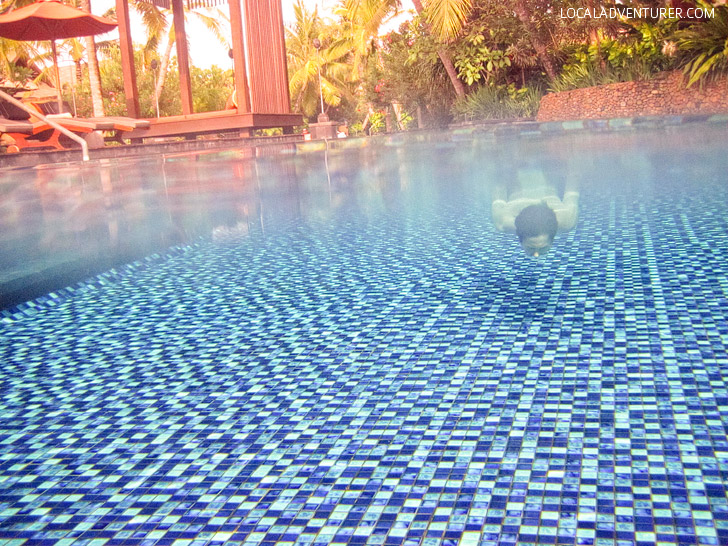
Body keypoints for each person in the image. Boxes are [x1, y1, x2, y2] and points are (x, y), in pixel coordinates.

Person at [492, 164, 579, 257]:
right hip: (547, 168)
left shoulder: (503, 222)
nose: (536, 255)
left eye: (543, 248)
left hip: (518, 169)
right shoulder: (567, 220)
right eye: (531, 248)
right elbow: (573, 180)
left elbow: (498, 186)